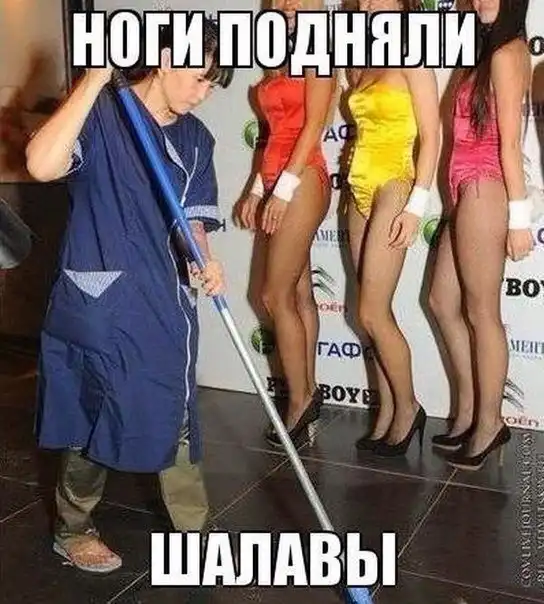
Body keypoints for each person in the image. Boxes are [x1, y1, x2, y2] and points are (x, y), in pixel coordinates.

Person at [26, 18, 233, 573]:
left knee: (173, 408)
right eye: (199, 77)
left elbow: (192, 219)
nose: (203, 93)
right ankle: (73, 529)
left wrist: (204, 259)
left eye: (212, 84)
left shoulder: (196, 138)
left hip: (163, 303)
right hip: (97, 298)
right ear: (164, 59)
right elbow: (41, 164)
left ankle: (195, 532)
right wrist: (94, 79)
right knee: (91, 416)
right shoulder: (101, 114)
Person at [428, 0, 534, 470]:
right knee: (441, 301)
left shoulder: (508, 52)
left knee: (482, 313)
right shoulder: (482, 50)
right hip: (463, 189)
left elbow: (510, 143)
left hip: (485, 185)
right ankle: (472, 410)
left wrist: (519, 218)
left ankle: (491, 424)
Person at [235, 0, 337, 447]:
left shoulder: (320, 46)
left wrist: (284, 188)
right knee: (297, 294)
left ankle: (299, 401)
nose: (285, 4)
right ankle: (307, 390)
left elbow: (313, 126)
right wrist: (259, 188)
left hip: (304, 177)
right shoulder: (280, 49)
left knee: (272, 295)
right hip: (279, 175)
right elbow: (276, 133)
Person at [345, 0, 440, 456]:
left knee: (371, 312)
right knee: (370, 314)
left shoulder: (413, 52)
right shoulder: (358, 56)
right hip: (357, 186)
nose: (368, 4)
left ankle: (409, 408)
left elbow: (432, 135)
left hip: (396, 184)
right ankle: (387, 410)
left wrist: (417, 203)